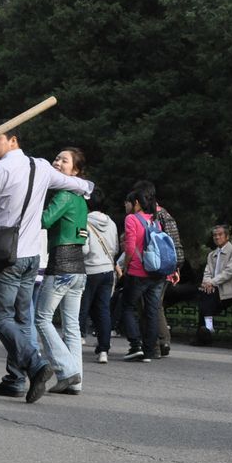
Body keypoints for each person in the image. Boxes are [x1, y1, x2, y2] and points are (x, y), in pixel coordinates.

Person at [0, 126, 95, 404]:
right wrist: (88, 187)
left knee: (0, 317)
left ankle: (35, 365)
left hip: (6, 256)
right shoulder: (42, 166)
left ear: (13, 140)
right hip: (32, 256)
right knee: (23, 318)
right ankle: (15, 379)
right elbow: (76, 185)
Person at [32, 147, 89, 395]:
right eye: (56, 158)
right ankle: (75, 381)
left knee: (41, 318)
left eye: (64, 161)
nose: (57, 162)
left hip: (61, 266)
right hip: (79, 269)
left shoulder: (64, 195)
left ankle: (66, 371)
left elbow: (44, 220)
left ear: (75, 171)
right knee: (72, 325)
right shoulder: (81, 199)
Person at [132, 180, 185, 358]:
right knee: (154, 306)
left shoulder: (158, 214)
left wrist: (176, 266)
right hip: (163, 267)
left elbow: (173, 242)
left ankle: (155, 344)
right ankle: (161, 341)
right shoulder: (158, 213)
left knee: (149, 306)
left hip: (156, 268)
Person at [118, 187, 167, 363]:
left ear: (136, 203)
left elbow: (130, 247)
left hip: (138, 272)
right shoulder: (154, 220)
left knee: (127, 306)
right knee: (151, 311)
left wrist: (125, 266)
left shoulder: (131, 219)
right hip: (156, 273)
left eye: (129, 202)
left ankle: (135, 346)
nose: (127, 206)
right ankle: (149, 351)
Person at [79, 187, 118, 364]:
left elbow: (84, 249)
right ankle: (103, 350)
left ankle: (77, 340)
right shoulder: (112, 223)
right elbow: (115, 248)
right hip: (107, 270)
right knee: (103, 310)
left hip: (90, 270)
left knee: (82, 307)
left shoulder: (84, 221)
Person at [193, 225, 232, 346]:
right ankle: (206, 331)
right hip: (214, 290)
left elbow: (229, 272)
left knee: (206, 298)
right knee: (205, 294)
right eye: (215, 235)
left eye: (220, 234)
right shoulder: (212, 254)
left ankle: (204, 334)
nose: (217, 237)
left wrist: (211, 283)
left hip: (230, 290)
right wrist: (208, 283)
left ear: (227, 236)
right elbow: (207, 272)